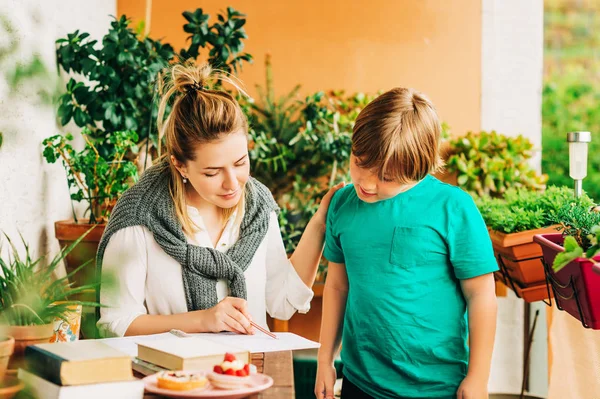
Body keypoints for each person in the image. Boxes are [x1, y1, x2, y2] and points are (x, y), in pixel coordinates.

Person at [96, 62, 343, 338]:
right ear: (180, 165)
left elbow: (281, 303)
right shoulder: (139, 217)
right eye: (212, 172)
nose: (233, 182)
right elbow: (115, 323)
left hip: (248, 377)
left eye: (240, 162)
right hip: (168, 379)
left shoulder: (258, 206)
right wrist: (203, 320)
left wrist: (321, 223)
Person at [315, 88, 498, 399]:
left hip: (437, 387)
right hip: (361, 383)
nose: (368, 184)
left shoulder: (453, 207)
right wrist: (324, 359)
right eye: (360, 163)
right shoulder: (342, 205)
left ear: (419, 170)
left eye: (387, 177)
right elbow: (337, 286)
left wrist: (478, 377)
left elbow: (481, 294)